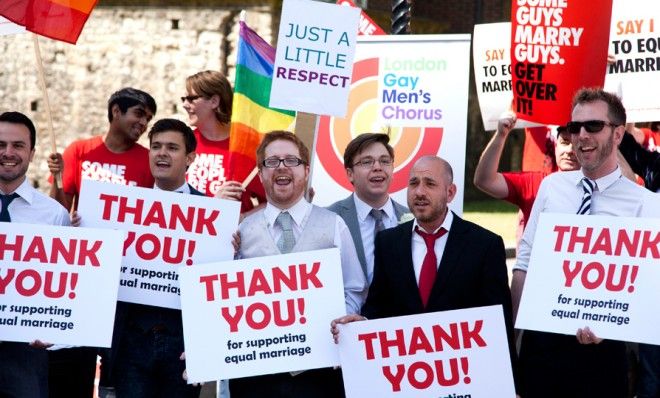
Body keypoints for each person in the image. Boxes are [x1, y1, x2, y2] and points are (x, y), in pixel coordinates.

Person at [511, 88, 660, 397]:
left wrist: (612, 327)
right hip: (542, 345)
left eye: (593, 126)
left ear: (618, 134)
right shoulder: (552, 187)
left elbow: (648, 288)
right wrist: (514, 335)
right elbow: (525, 262)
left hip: (605, 352)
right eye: (573, 127)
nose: (581, 135)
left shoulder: (644, 204)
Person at [332, 155, 518, 391]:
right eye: (413, 183)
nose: (419, 192)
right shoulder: (388, 242)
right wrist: (362, 326)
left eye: (430, 184)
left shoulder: (484, 245)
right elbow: (378, 306)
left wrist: (511, 385)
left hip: (463, 382)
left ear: (450, 193)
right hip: (406, 381)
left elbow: (498, 322)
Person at [230, 130, 367, 398]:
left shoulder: (334, 225)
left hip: (317, 374)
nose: (281, 167)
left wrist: (340, 322)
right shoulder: (241, 232)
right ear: (261, 174)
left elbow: (353, 288)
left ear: (305, 171)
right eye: (272, 162)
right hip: (255, 377)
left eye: (291, 160)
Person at [46, 87, 157, 398]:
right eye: (138, 114)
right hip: (83, 273)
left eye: (148, 118)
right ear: (116, 113)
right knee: (78, 358)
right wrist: (55, 180)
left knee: (116, 363)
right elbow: (59, 213)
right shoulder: (79, 151)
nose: (143, 123)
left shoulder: (148, 161)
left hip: (126, 276)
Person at [109, 118, 202, 398]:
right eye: (156, 146)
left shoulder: (213, 215)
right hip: (131, 345)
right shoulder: (119, 209)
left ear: (189, 159)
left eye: (172, 148)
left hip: (184, 347)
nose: (162, 153)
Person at [0, 111, 70, 398]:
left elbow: (69, 284)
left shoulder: (54, 214)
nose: (8, 153)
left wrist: (57, 336)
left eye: (18, 145)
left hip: (25, 351)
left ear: (32, 153)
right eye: (1, 144)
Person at [474, 113, 578, 236]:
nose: (569, 150)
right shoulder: (534, 183)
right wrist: (500, 135)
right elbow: (484, 180)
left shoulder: (601, 189)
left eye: (577, 145)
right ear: (555, 146)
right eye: (565, 142)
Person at [327, 133, 408, 284]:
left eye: (385, 161)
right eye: (367, 162)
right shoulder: (328, 219)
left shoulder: (413, 218)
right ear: (350, 174)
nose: (377, 167)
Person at [182, 70, 266, 213]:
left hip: (231, 235)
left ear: (214, 101)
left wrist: (243, 218)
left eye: (191, 99)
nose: (185, 104)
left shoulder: (247, 147)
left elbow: (272, 202)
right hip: (188, 232)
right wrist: (213, 203)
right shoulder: (183, 142)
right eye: (183, 99)